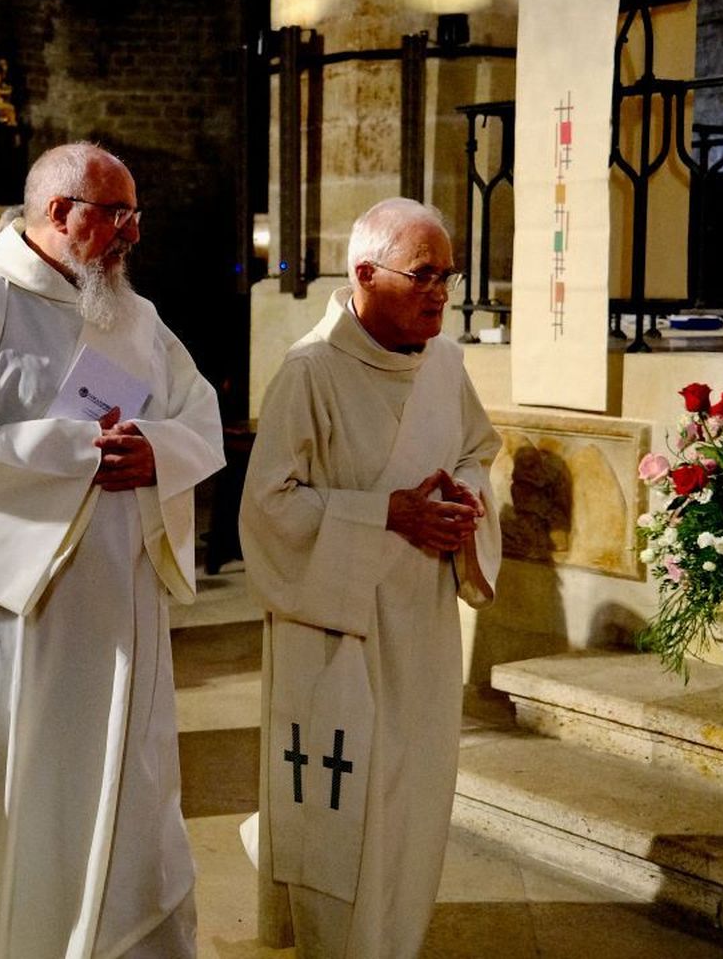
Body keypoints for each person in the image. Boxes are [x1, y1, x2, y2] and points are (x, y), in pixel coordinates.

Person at [0, 142, 225, 957]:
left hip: (120, 621)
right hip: (10, 622)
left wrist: (156, 450)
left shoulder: (136, 317)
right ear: (59, 213)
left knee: (131, 810)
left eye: (136, 214)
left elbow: (199, 419)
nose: (133, 232)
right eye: (117, 213)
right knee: (15, 813)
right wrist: (77, 452)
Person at [238, 198, 501, 959]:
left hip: (420, 617)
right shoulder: (310, 371)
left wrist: (462, 497)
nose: (440, 293)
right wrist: (384, 514)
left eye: (447, 276)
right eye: (423, 274)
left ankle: (396, 941)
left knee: (413, 793)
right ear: (363, 274)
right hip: (335, 626)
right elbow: (268, 508)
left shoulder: (446, 365)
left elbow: (478, 448)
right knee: (344, 802)